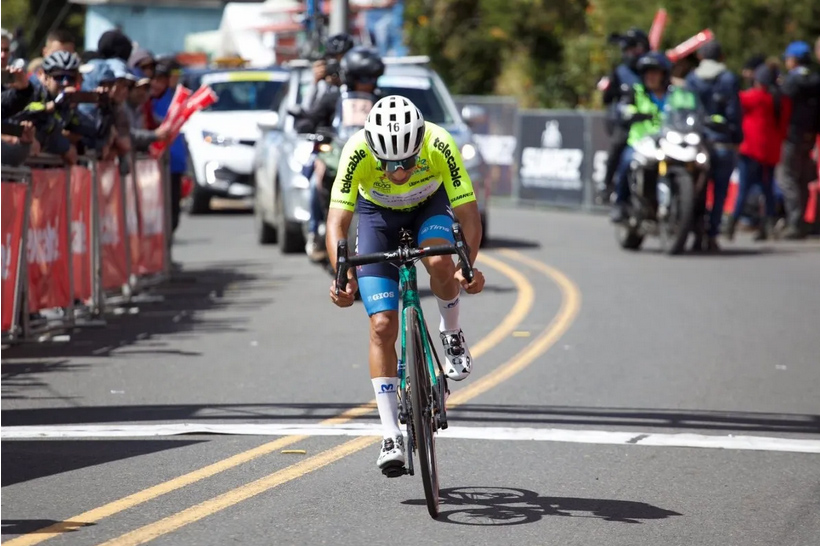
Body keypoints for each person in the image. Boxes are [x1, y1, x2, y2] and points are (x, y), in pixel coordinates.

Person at [327, 96, 485, 472]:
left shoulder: (439, 143)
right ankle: (390, 434)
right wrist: (342, 277)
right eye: (390, 164)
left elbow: (469, 216)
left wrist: (469, 267)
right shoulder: (356, 151)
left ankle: (451, 332)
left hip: (429, 207)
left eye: (408, 162)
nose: (399, 172)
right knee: (382, 324)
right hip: (376, 216)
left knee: (439, 260)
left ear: (419, 147)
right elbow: (336, 225)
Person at [303, 47, 385, 261]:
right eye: (361, 78)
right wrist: (310, 127)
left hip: (372, 160)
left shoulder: (383, 101)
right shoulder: (333, 97)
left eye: (371, 78)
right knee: (315, 181)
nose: (366, 83)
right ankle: (317, 230)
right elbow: (311, 119)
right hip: (335, 156)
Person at [611, 52, 694, 222]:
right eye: (647, 73)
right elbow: (622, 108)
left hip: (671, 140)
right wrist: (632, 113)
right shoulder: (636, 92)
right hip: (641, 142)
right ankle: (620, 204)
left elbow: (690, 110)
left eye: (655, 73)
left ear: (663, 75)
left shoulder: (675, 93)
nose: (651, 77)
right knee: (627, 162)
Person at [686, 40, 742, 252]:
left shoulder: (692, 78)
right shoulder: (728, 79)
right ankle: (712, 234)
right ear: (721, 56)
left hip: (697, 143)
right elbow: (734, 113)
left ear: (701, 56)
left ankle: (696, 233)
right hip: (722, 142)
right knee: (719, 192)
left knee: (696, 190)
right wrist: (736, 138)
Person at [725, 65, 791, 241]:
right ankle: (768, 227)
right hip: (771, 152)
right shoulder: (781, 100)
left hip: (751, 150)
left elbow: (734, 99)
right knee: (768, 190)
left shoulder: (754, 97)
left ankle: (730, 225)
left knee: (744, 190)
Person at [600, 28, 650, 201]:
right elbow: (607, 99)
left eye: (634, 48)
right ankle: (607, 186)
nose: (631, 53)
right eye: (627, 49)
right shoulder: (620, 72)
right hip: (627, 125)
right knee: (618, 147)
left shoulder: (652, 69)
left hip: (651, 124)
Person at [777, 41, 820, 240]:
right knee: (803, 179)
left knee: (787, 178)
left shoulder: (790, 82)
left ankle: (794, 222)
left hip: (791, 135)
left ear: (793, 60)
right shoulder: (815, 79)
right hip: (809, 136)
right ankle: (802, 220)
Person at [150, 58, 187, 234]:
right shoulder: (149, 100)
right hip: (153, 164)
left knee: (173, 213)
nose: (158, 84)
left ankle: (167, 254)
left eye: (162, 80)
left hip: (174, 163)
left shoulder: (175, 98)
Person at [305, 33, 354, 108]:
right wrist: (315, 82)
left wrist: (343, 83)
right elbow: (308, 108)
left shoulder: (357, 81)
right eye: (333, 58)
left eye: (342, 58)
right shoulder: (322, 84)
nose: (337, 65)